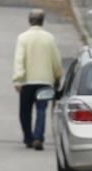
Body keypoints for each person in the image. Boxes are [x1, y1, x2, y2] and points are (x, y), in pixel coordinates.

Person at [12, 9, 63, 150]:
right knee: (41, 110)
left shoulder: (23, 37)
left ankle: (28, 137)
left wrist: (18, 79)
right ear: (42, 21)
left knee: (25, 111)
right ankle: (38, 136)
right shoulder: (49, 38)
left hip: (27, 81)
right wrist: (58, 75)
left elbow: (19, 59)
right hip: (45, 81)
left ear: (29, 20)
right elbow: (56, 60)